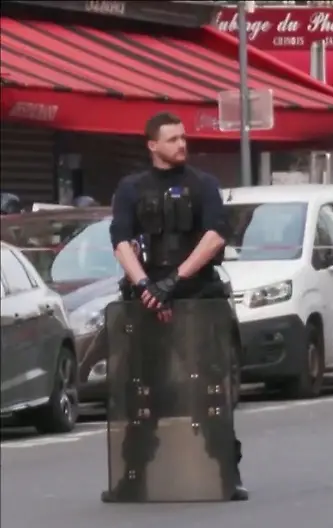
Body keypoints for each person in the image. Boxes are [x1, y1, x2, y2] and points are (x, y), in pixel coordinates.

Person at [103, 111, 247, 503]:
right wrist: (148, 287)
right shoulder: (132, 188)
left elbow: (216, 235)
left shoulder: (203, 185)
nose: (181, 145)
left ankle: (225, 474)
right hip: (148, 302)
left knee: (212, 388)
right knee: (141, 388)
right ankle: (132, 477)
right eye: (172, 139)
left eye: (183, 138)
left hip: (198, 296)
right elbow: (120, 241)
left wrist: (175, 282)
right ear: (152, 145)